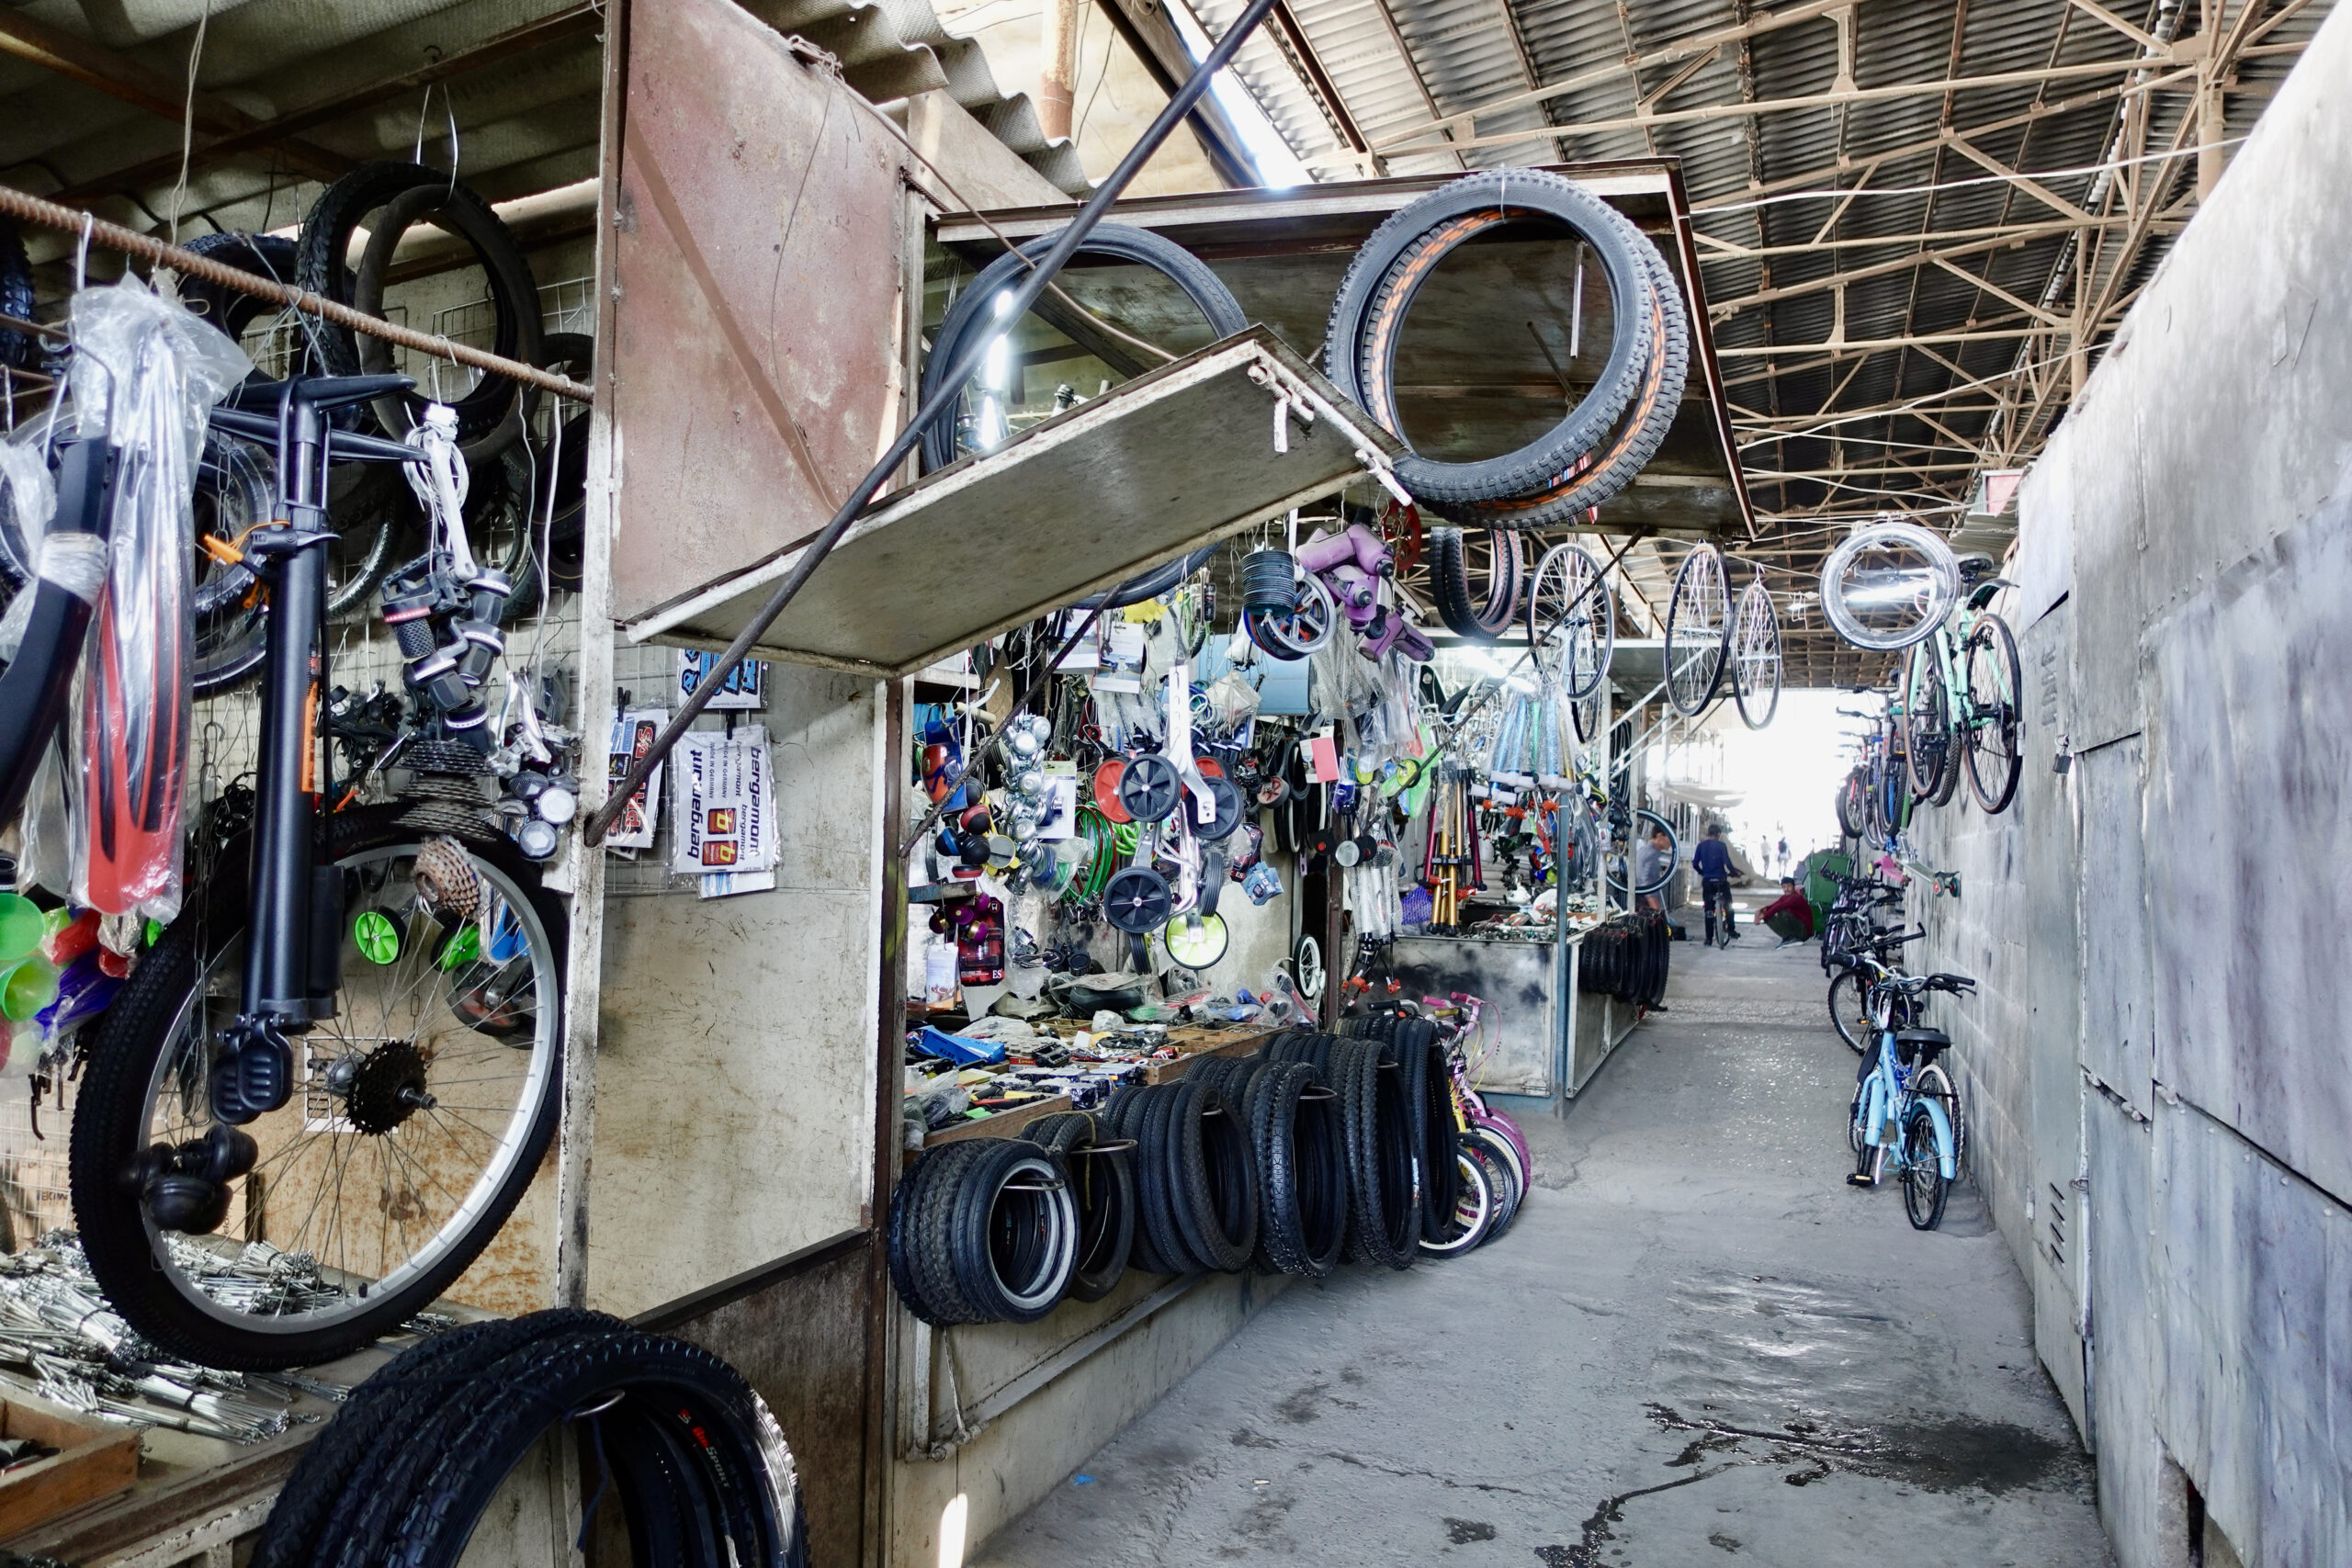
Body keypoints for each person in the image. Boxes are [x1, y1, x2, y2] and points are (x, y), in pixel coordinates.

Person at [1692, 823, 1736, 943]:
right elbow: (1727, 862)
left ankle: (1708, 939)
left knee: (1708, 909)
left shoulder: (1701, 846)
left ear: (1708, 834)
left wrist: (1703, 872)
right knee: (1729, 905)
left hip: (1707, 881)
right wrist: (1734, 873)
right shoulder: (1721, 845)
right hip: (1721, 879)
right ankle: (1731, 930)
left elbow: (1695, 864)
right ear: (1718, 834)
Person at [1758, 875, 1815, 944]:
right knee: (1768, 917)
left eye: (1789, 886)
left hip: (1804, 932)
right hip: (1798, 928)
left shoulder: (1797, 897)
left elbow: (1780, 907)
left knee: (1782, 912)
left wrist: (1763, 916)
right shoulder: (1784, 897)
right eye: (1784, 887)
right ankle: (1787, 937)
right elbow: (1773, 906)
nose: (1786, 889)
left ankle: (1793, 937)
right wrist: (1762, 911)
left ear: (1794, 887)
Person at [1634, 825, 1674, 914]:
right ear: (1660, 836)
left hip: (1640, 902)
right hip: (1646, 906)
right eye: (1670, 837)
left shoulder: (1644, 850)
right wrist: (1656, 910)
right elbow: (1647, 883)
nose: (1672, 842)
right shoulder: (1652, 854)